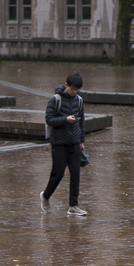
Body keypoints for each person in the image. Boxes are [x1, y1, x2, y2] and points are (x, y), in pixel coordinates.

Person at [41, 72, 88, 216]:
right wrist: (65, 119)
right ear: (66, 85)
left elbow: (81, 122)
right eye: (72, 89)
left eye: (77, 90)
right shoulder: (55, 100)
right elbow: (49, 119)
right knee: (58, 174)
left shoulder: (79, 100)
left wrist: (81, 141)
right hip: (59, 142)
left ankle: (73, 206)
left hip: (74, 142)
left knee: (76, 174)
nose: (74, 92)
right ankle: (45, 196)